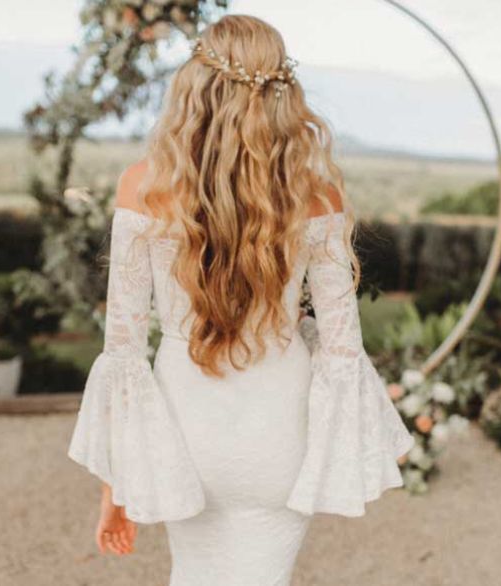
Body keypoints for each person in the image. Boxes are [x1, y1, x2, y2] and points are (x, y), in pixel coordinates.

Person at [67, 13, 415, 586]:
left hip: (188, 428)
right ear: (284, 93)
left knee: (193, 574)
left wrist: (117, 489)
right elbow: (342, 350)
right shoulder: (318, 195)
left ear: (194, 88)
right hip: (278, 431)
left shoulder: (142, 187)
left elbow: (123, 353)